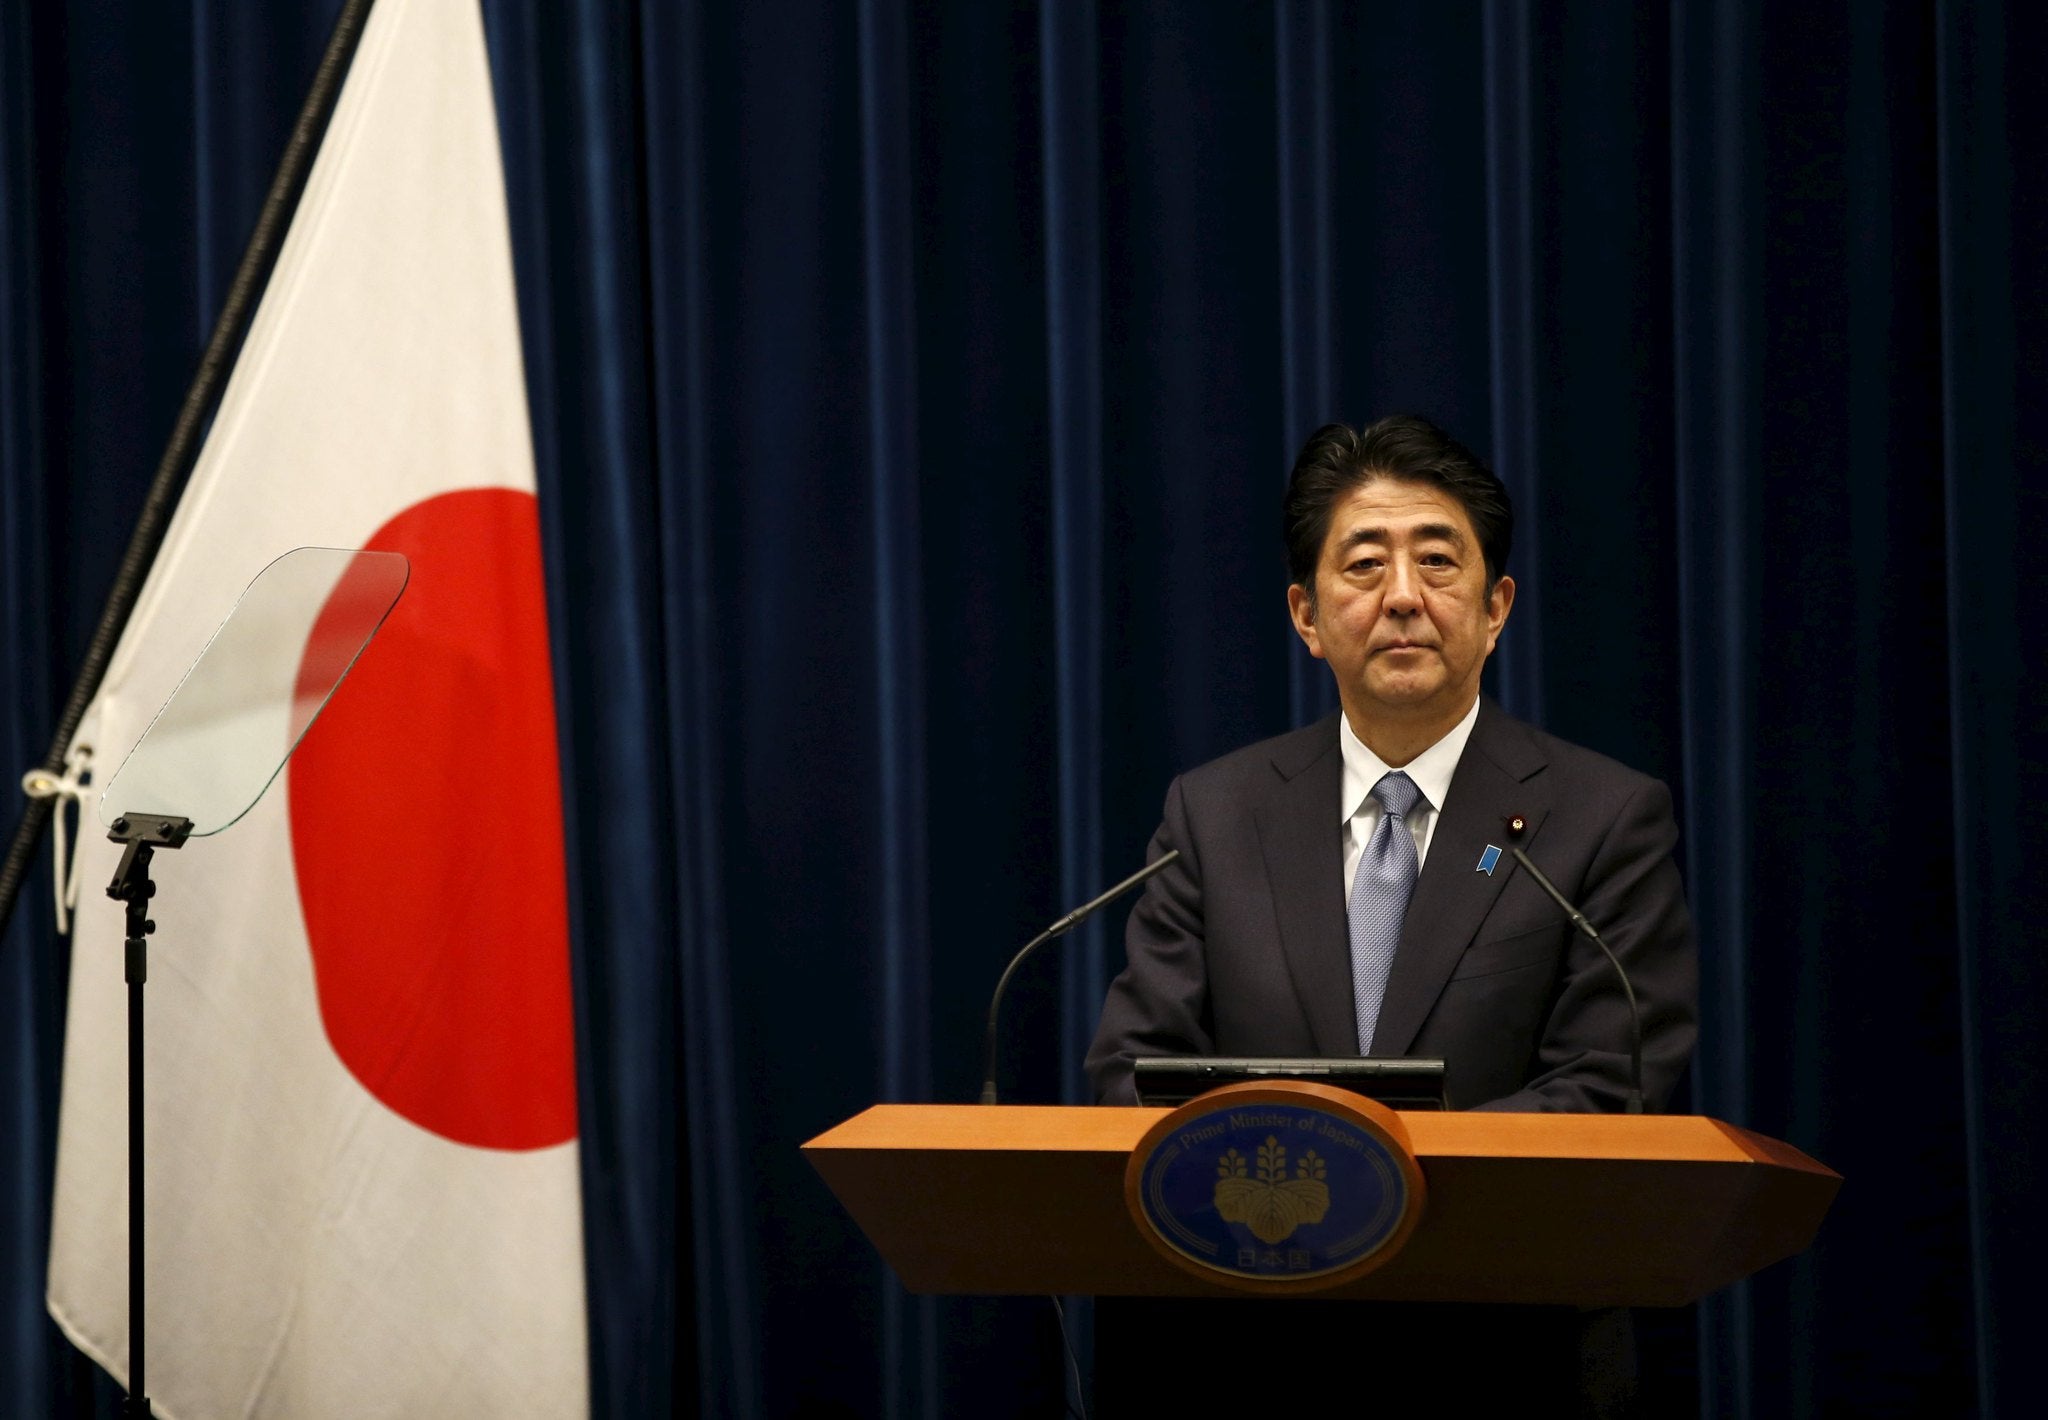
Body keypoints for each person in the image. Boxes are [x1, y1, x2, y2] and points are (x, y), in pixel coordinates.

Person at [1085, 416, 1698, 1418]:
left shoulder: (1601, 816)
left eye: (1437, 562)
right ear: (1305, 614)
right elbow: (1130, 1069)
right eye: (1363, 565)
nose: (1403, 596)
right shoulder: (1214, 812)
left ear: (1495, 607)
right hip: (1248, 1350)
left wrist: (1364, 1175)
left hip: (1506, 1354)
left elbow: (1609, 1083)